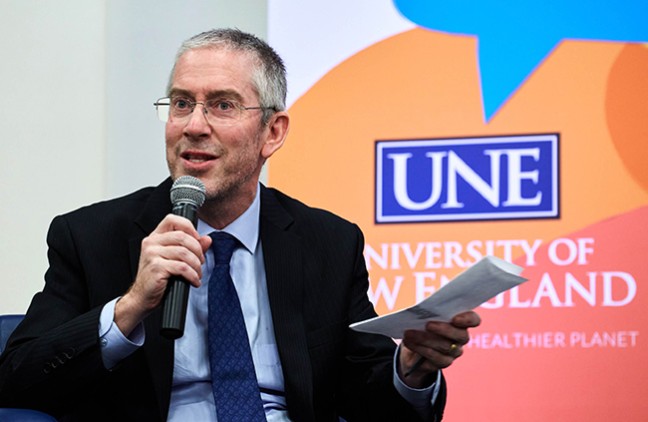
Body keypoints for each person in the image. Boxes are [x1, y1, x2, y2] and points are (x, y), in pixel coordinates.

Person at [0, 28, 480, 421]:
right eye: (182, 103)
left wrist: (411, 371)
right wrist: (129, 307)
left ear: (273, 132)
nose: (193, 125)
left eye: (223, 105)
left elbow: (368, 399)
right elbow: (17, 376)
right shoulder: (91, 237)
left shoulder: (328, 243)